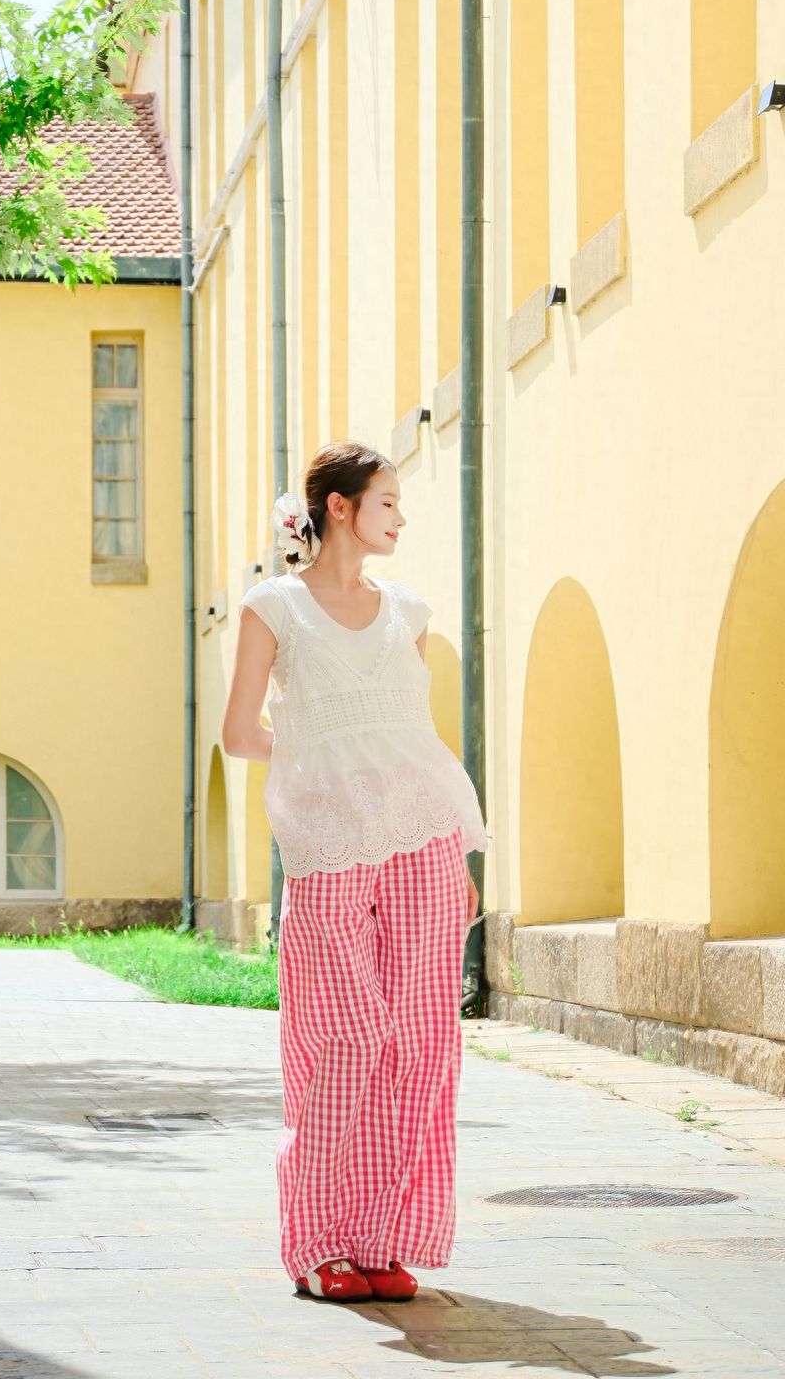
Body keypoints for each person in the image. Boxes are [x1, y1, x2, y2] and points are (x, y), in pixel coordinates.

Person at [221, 440, 489, 1305]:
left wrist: (456, 850)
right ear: (339, 508)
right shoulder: (276, 608)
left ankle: (380, 1239)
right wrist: (320, 762)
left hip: (424, 841)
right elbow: (239, 734)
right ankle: (318, 1240)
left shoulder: (408, 611)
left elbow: (417, 737)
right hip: (330, 844)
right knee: (346, 1040)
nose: (400, 517)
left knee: (420, 1045)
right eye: (388, 501)